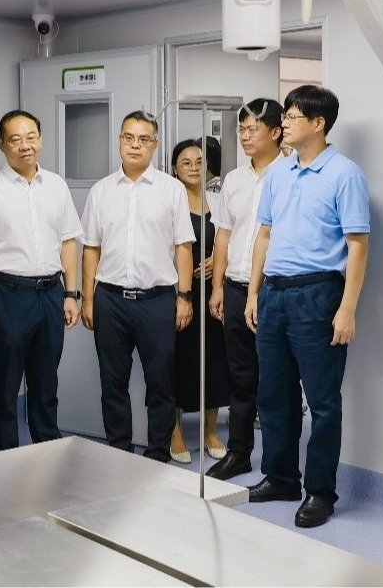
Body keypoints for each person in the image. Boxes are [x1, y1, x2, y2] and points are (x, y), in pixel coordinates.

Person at [244, 85, 370, 529]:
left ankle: (320, 491)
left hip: (318, 295)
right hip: (274, 294)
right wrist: (254, 292)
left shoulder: (344, 174)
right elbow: (264, 235)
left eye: (293, 117)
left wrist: (347, 309)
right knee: (273, 395)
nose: (286, 123)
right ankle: (280, 478)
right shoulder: (278, 174)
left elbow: (358, 246)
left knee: (322, 401)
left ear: (318, 123)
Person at [0, 109, 83, 453]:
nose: (25, 145)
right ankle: (4, 461)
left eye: (31, 137)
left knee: (46, 383)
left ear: (40, 139)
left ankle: (47, 454)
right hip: (7, 294)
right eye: (15, 139)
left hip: (51, 293)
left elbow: (69, 242)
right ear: (1, 144)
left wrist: (71, 293)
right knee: (5, 384)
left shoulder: (57, 186)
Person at [81, 111, 194, 462]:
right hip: (110, 300)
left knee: (161, 384)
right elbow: (91, 248)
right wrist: (88, 299)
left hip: (157, 300)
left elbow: (184, 246)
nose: (135, 145)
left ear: (154, 145)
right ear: (119, 141)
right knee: (112, 383)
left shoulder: (171, 190)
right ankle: (120, 454)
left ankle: (158, 455)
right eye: (128, 138)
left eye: (143, 139)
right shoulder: (101, 191)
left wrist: (184, 296)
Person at [205, 98, 287, 480]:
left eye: (253, 129)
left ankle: (279, 466)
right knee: (241, 377)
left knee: (275, 381)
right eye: (242, 129)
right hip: (235, 289)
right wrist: (217, 287)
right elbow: (223, 235)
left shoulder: (290, 175)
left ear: (276, 132)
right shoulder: (234, 180)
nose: (245, 136)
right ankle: (238, 453)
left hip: (273, 290)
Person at [169, 139, 231, 464]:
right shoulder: (169, 199)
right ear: (174, 168)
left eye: (199, 161)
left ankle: (210, 431)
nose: (194, 167)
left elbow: (233, 237)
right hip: (180, 291)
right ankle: (175, 431)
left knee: (216, 360)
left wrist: (220, 261)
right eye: (186, 162)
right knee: (179, 359)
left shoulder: (218, 200)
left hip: (214, 291)